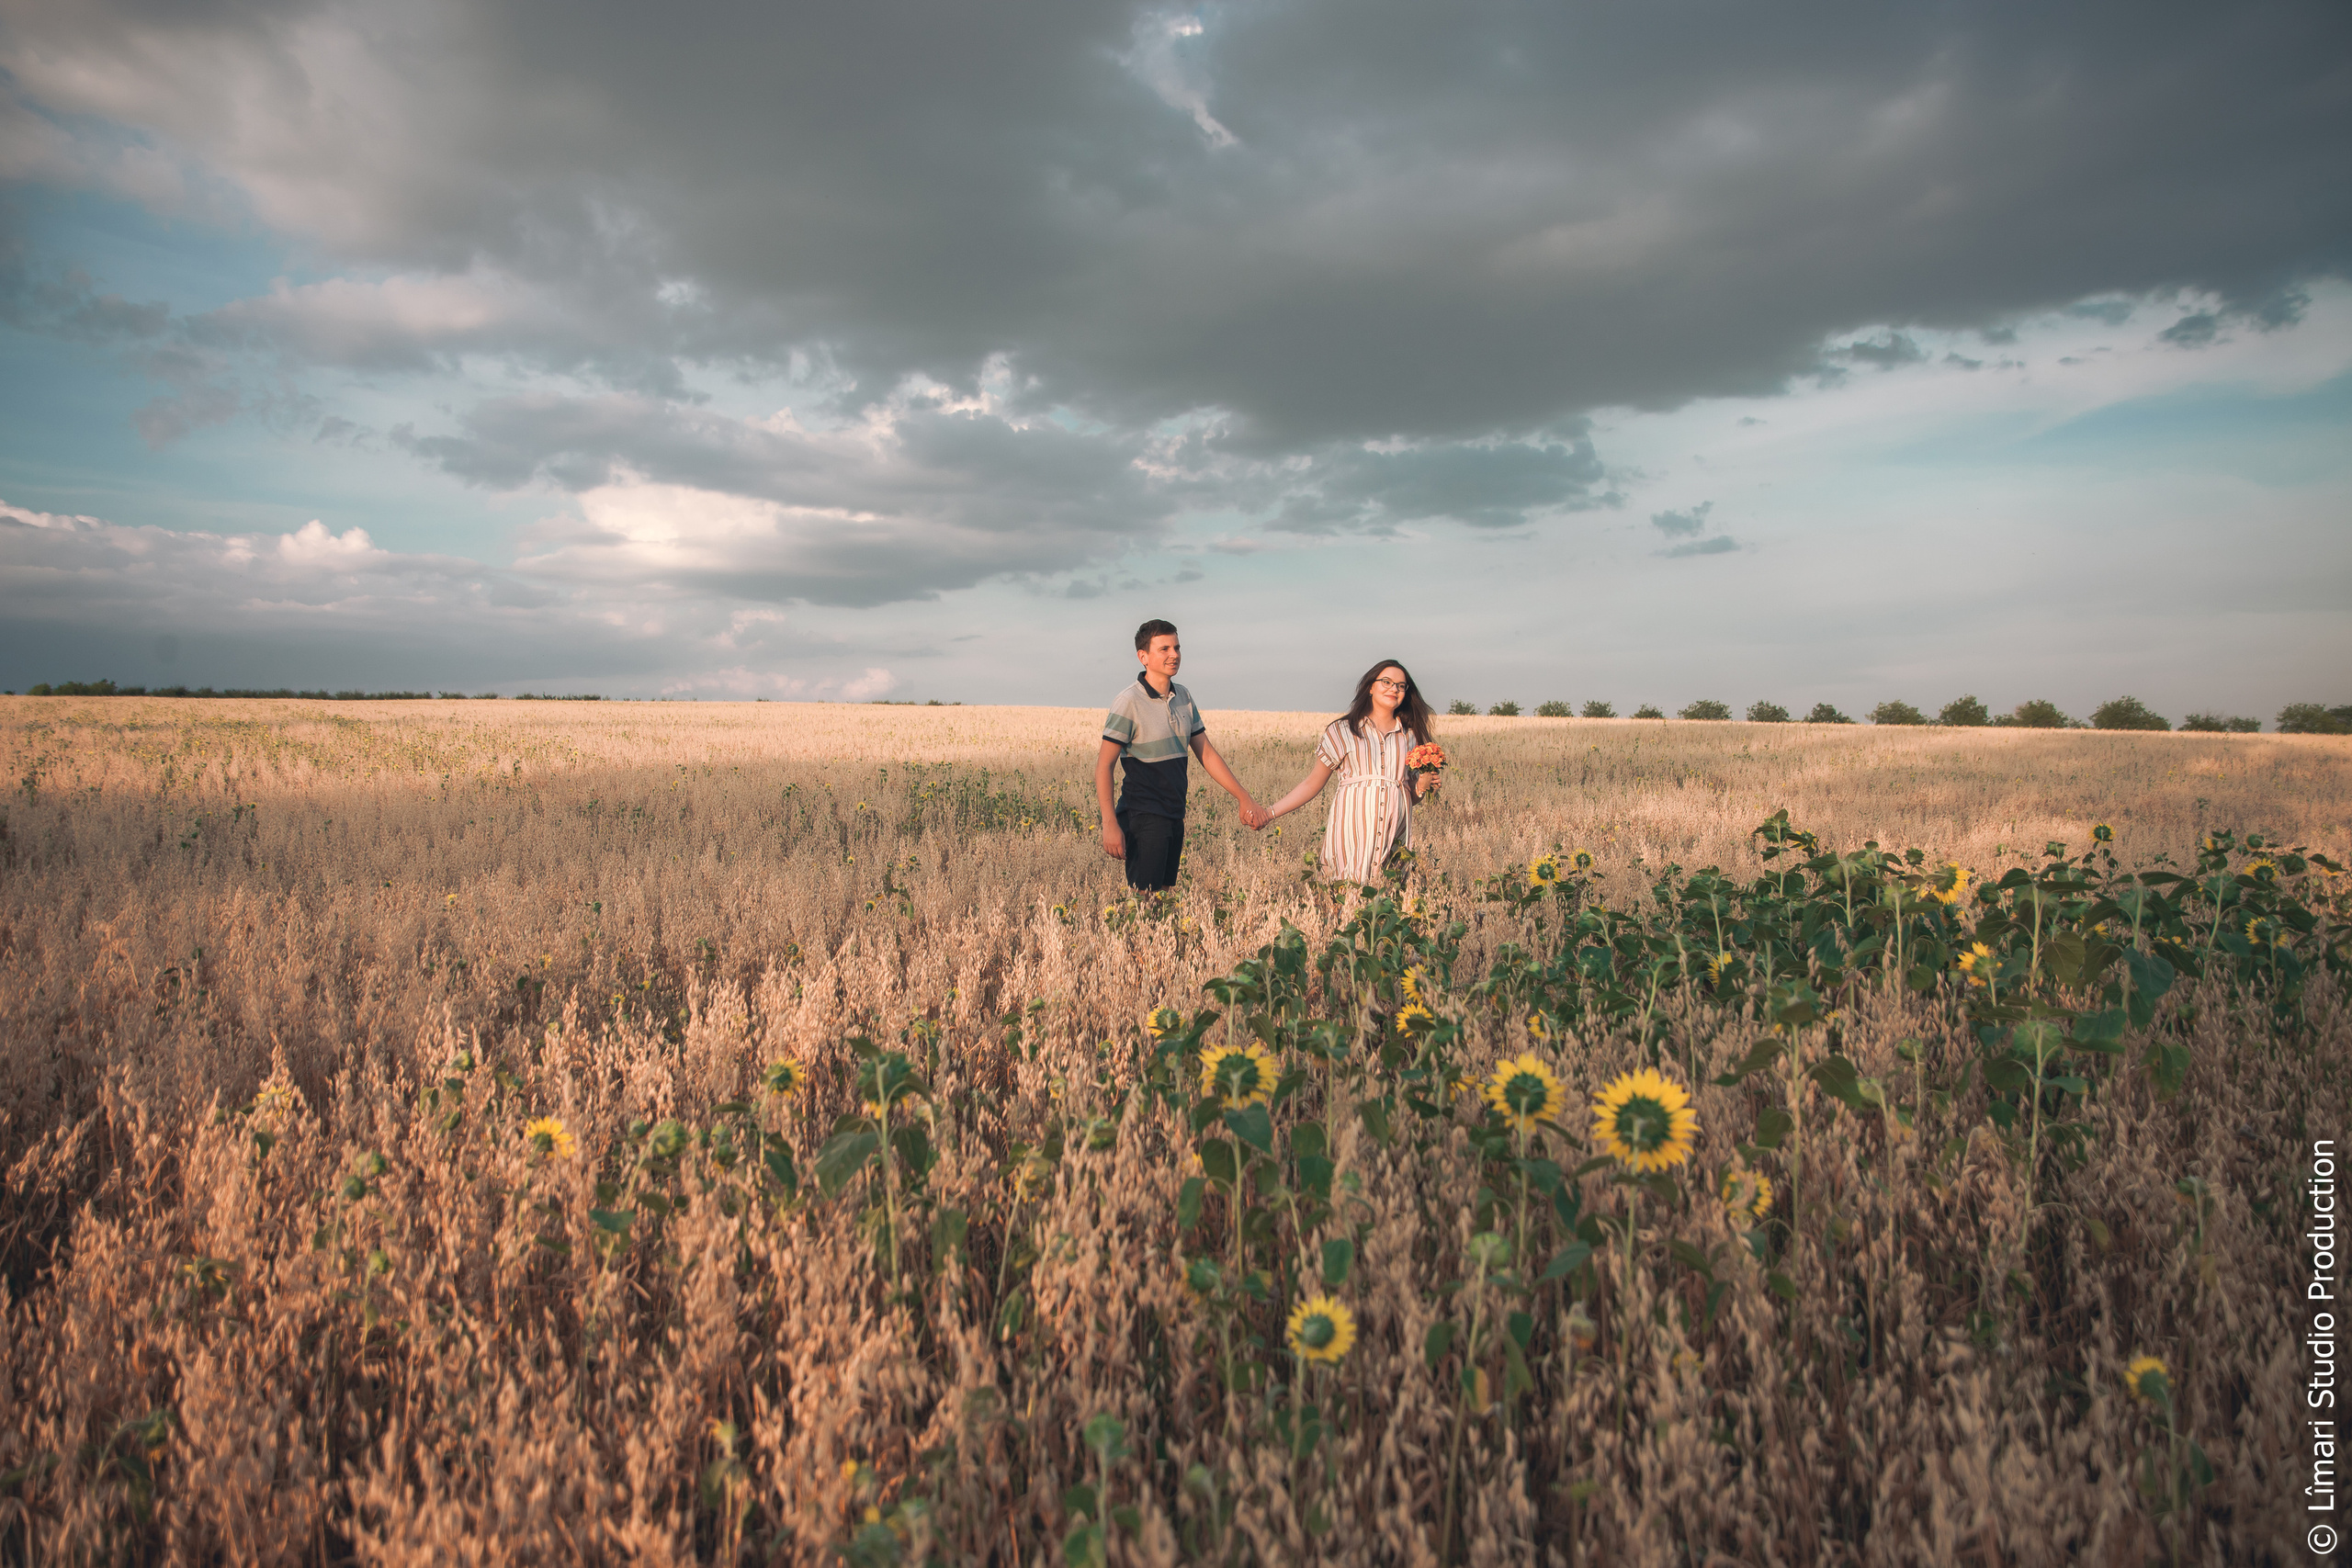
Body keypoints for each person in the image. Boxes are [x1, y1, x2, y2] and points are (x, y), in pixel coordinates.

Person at [1096, 620, 1267, 891]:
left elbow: (1207, 753)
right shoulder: (1128, 701)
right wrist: (1109, 824)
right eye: (1164, 649)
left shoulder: (1184, 696)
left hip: (1174, 813)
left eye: (1176, 647)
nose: (1174, 654)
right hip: (1144, 813)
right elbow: (1104, 766)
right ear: (1143, 657)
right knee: (1145, 900)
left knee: (1163, 897)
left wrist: (1243, 796)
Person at [1255, 659, 1437, 882]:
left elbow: (1406, 795)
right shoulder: (1342, 731)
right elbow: (1312, 783)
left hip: (1394, 834)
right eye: (1387, 682)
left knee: (1388, 901)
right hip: (1352, 832)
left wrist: (1422, 785)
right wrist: (1270, 813)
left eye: (1401, 686)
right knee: (1345, 893)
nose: (1394, 689)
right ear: (1371, 687)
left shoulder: (1410, 737)